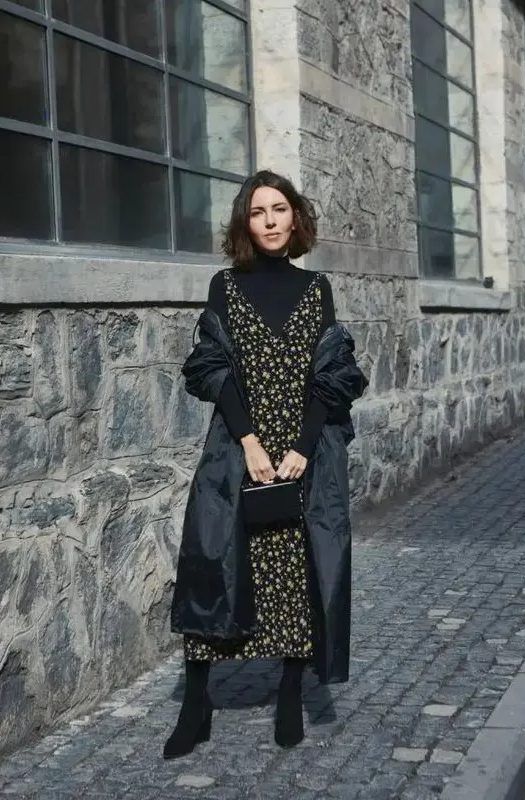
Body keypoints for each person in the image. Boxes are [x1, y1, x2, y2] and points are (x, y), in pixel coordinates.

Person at [164, 170, 368, 759]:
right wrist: (251, 442)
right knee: (213, 559)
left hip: (304, 448)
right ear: (245, 224)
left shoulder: (317, 289)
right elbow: (212, 368)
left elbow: (331, 376)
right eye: (259, 212)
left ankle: (288, 691)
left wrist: (302, 448)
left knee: (299, 568)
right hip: (238, 447)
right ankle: (195, 701)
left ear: (296, 217)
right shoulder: (225, 287)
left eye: (280, 209)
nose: (271, 220)